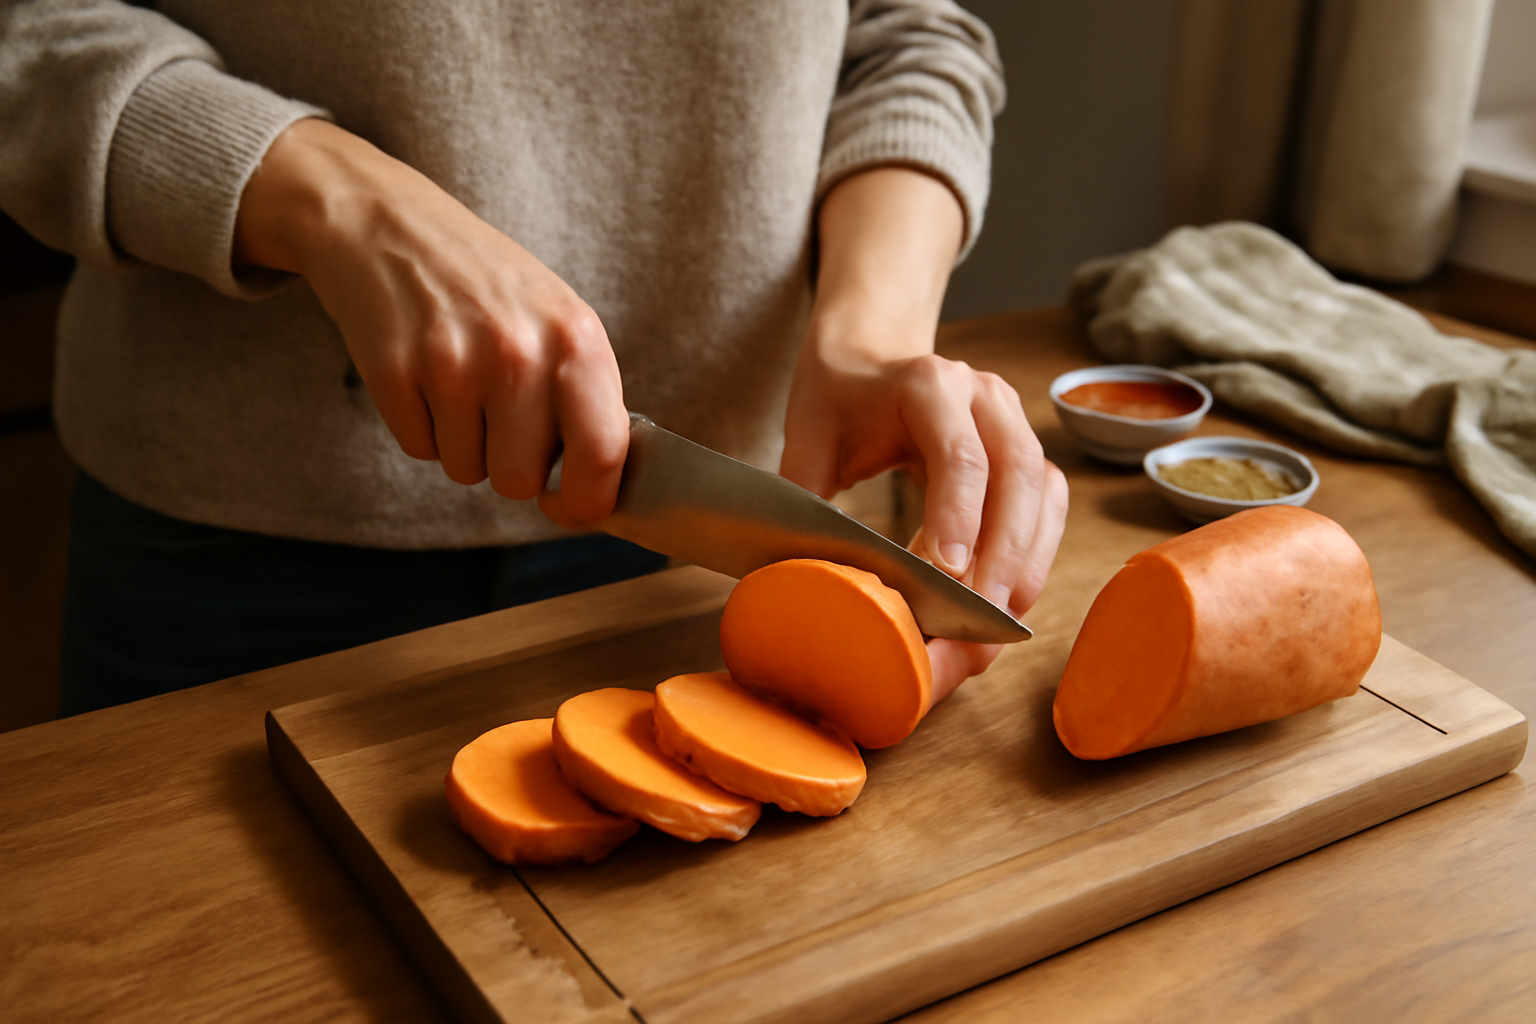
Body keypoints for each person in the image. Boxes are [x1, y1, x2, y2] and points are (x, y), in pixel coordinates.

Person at [0, 0, 1067, 714]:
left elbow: (908, 32)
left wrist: (871, 326)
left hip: (711, 545)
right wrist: (324, 195)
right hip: (232, 544)